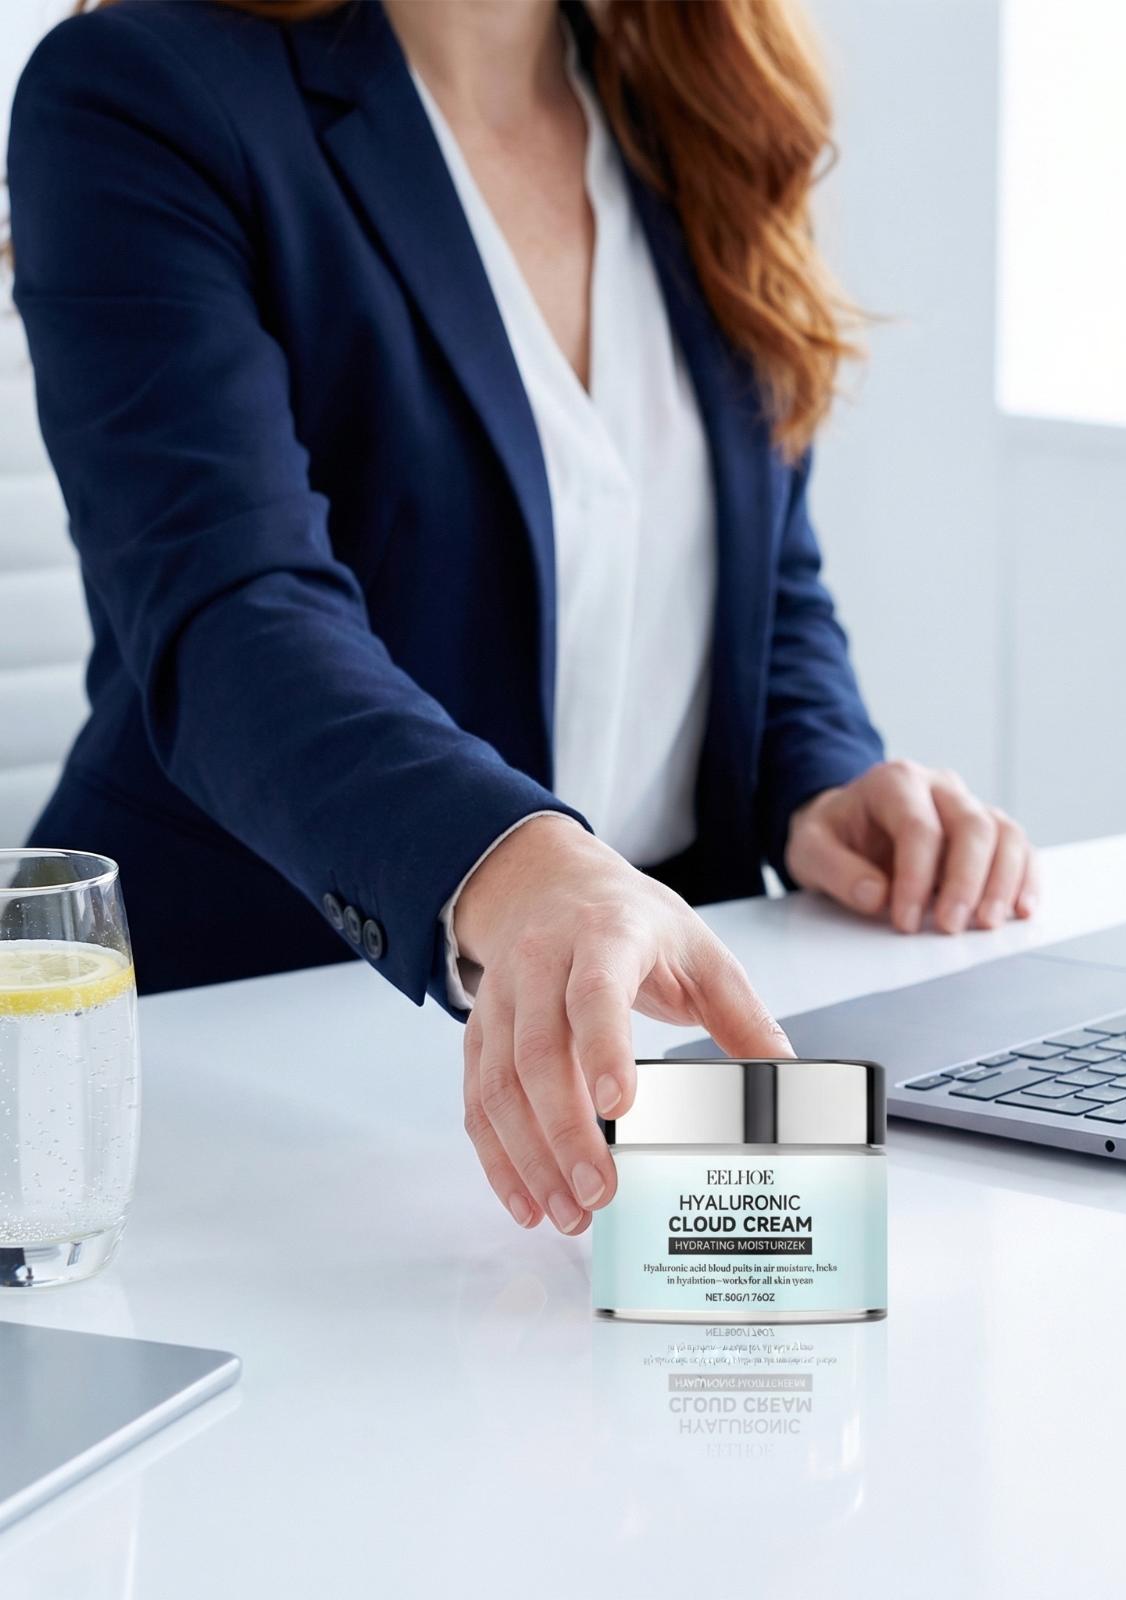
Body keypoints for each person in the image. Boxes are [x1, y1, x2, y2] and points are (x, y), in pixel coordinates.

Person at [5, 0, 1036, 1237]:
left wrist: (819, 777)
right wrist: (517, 862)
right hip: (238, 1067)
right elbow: (232, 612)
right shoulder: (142, 91)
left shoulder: (698, 102)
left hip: (617, 1059)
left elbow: (753, 563)